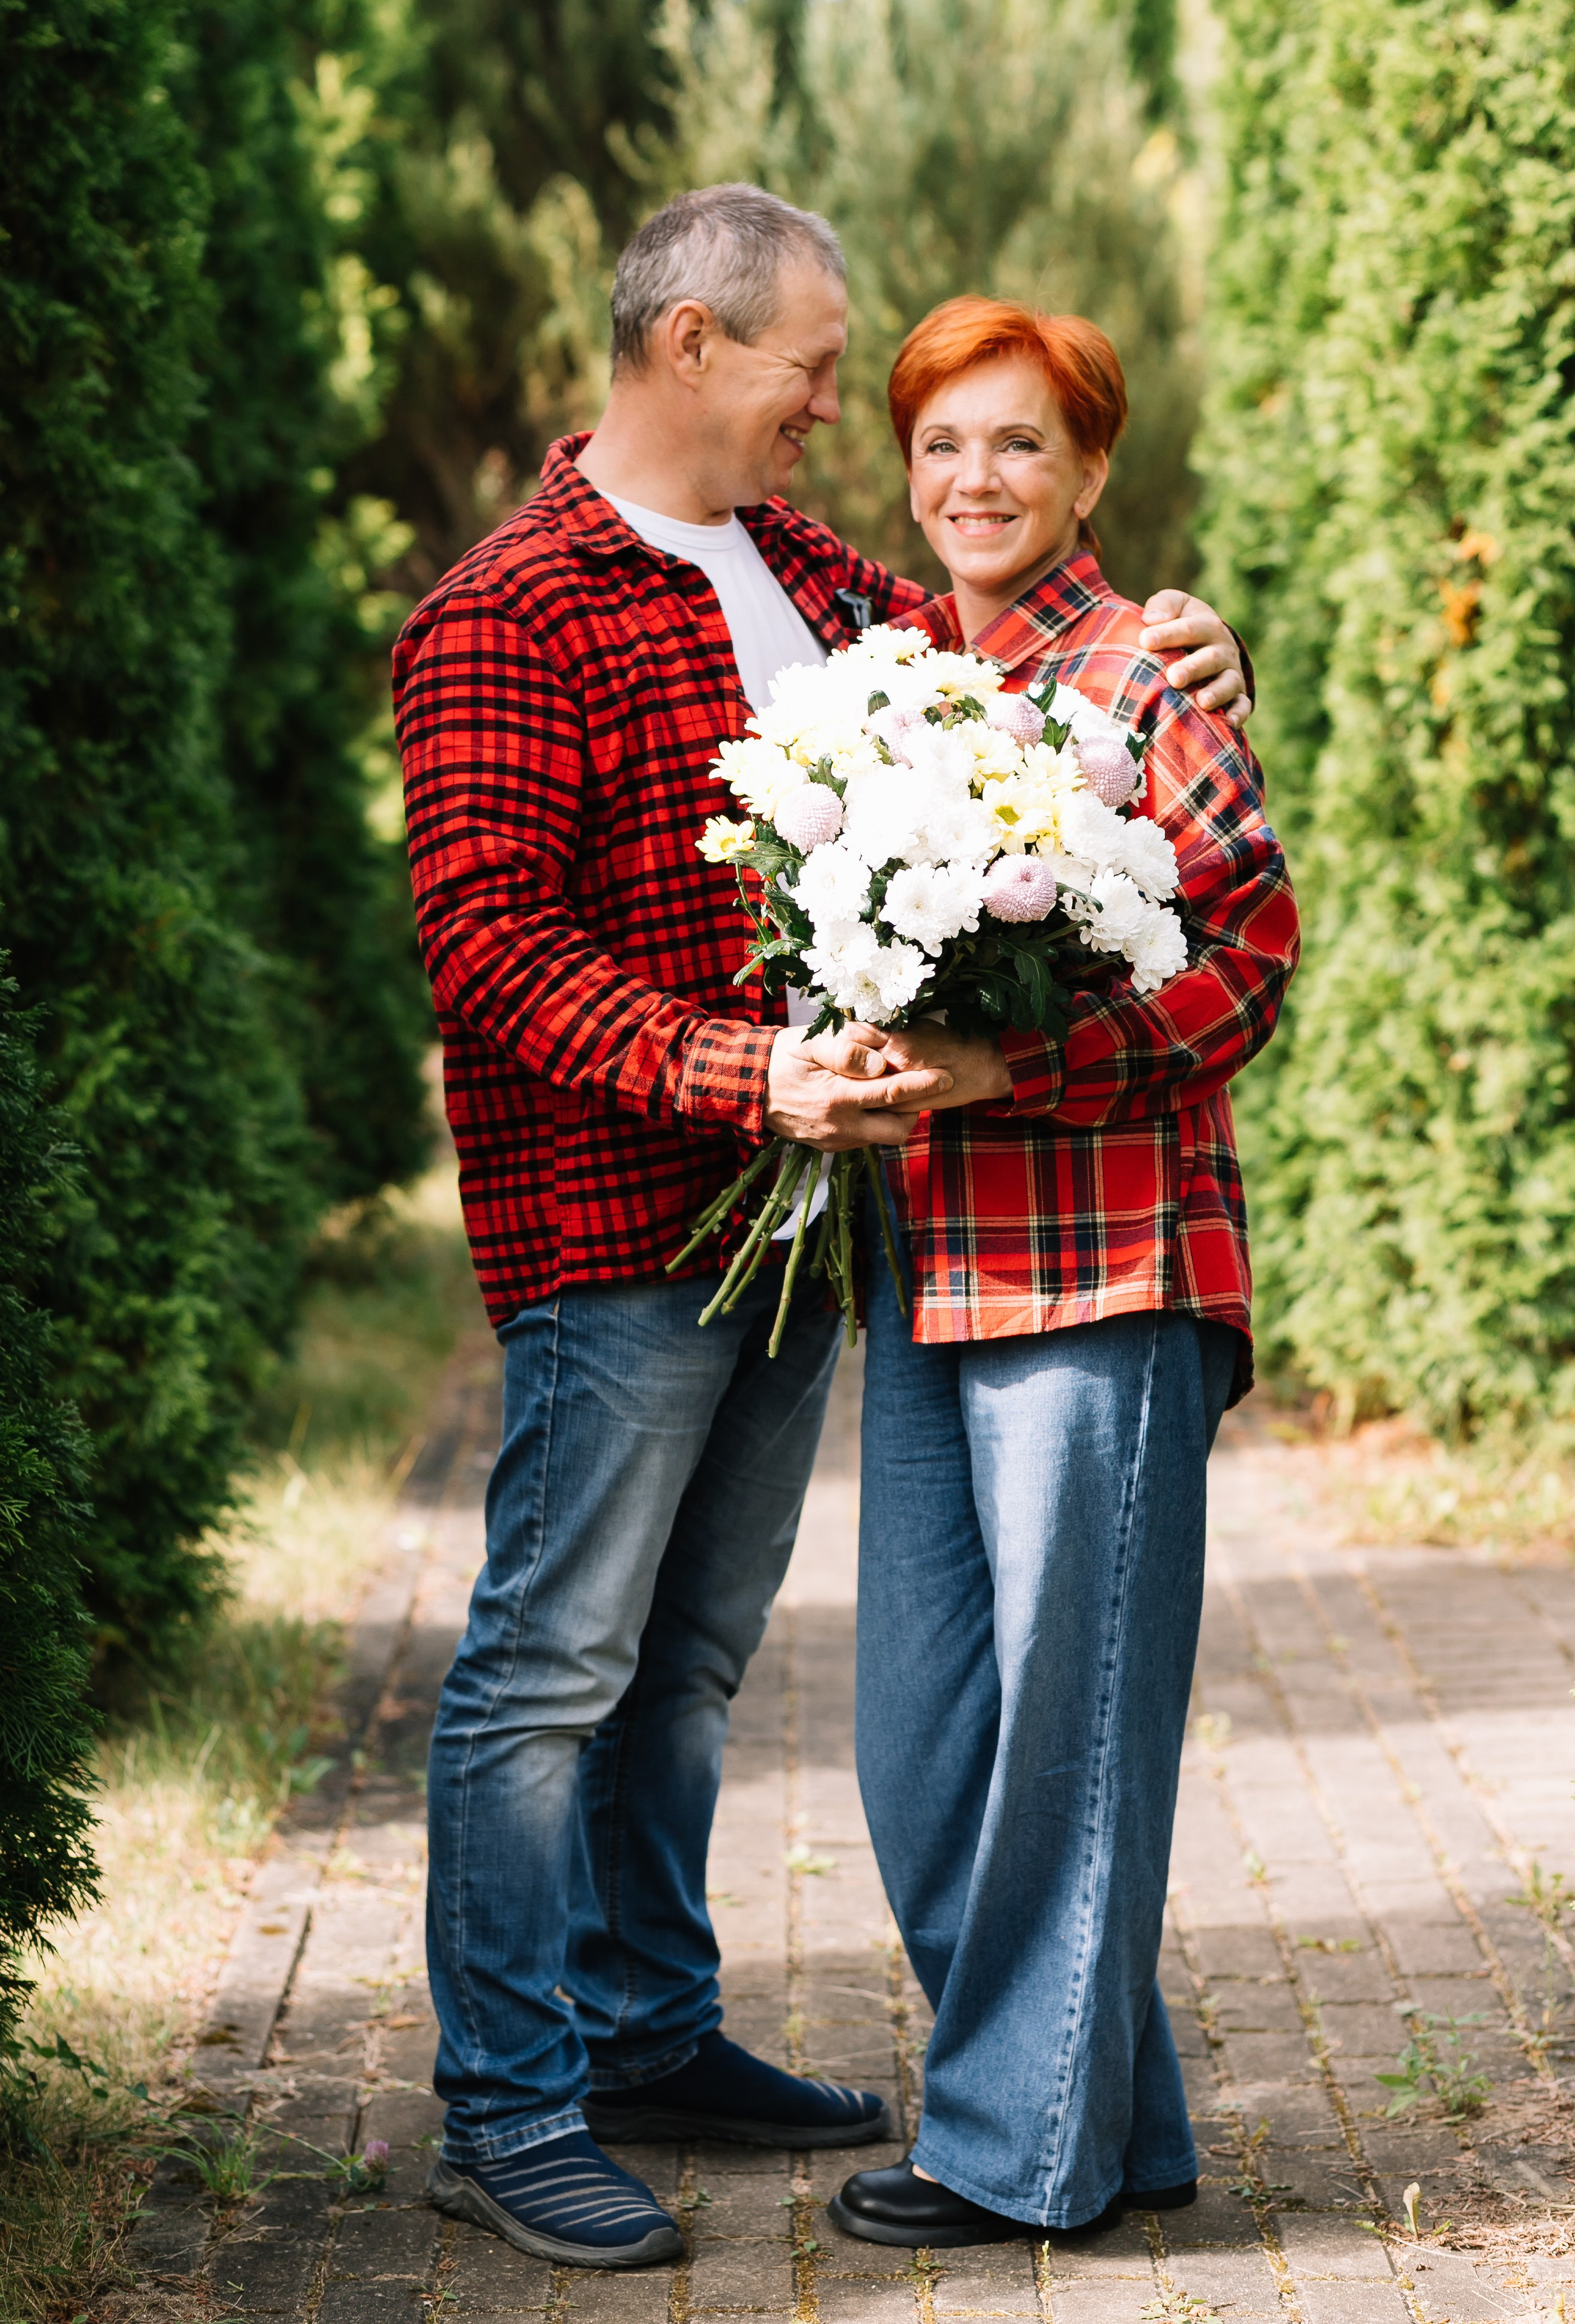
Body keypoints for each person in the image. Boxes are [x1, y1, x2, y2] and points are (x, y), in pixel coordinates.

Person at [392, 190, 1253, 2272]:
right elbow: (486, 946)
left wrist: (1191, 638)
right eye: (811, 363)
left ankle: (650, 2029)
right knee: (554, 1665)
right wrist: (738, 1074)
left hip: (812, 1230)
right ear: (693, 346)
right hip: (622, 1220)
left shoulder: (804, 574)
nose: (835, 412)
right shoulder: (508, 604)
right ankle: (513, 2100)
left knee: (685, 1668)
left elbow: (1032, 645)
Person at [826, 298, 1301, 2248]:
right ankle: (1129, 2120)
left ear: (1090, 472)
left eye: (1020, 445)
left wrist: (1019, 1064)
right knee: (921, 1741)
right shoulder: (891, 689)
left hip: (1108, 1263)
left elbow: (1246, 956)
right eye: (944, 444)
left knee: (1072, 1739)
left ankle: (1019, 2154)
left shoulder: (1146, 680)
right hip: (927, 1269)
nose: (977, 481)